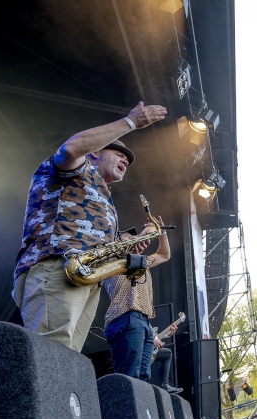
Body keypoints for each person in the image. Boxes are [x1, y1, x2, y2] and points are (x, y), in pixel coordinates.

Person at [12, 102, 167, 352]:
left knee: (67, 360)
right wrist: (131, 122)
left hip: (86, 277)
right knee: (51, 355)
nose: (125, 161)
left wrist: (125, 244)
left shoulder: (102, 193)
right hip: (58, 267)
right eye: (119, 154)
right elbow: (71, 149)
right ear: (94, 152)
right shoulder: (77, 170)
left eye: (127, 159)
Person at [102, 217, 171, 381]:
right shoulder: (112, 261)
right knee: (129, 378)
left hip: (143, 322)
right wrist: (144, 233)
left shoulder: (142, 262)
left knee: (142, 379)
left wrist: (162, 232)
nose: (135, 240)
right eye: (129, 237)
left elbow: (164, 254)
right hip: (125, 318)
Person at [150, 324, 182, 394]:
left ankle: (164, 384)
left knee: (167, 353)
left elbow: (157, 337)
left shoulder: (147, 321)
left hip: (148, 350)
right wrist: (151, 340)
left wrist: (169, 334)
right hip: (141, 352)